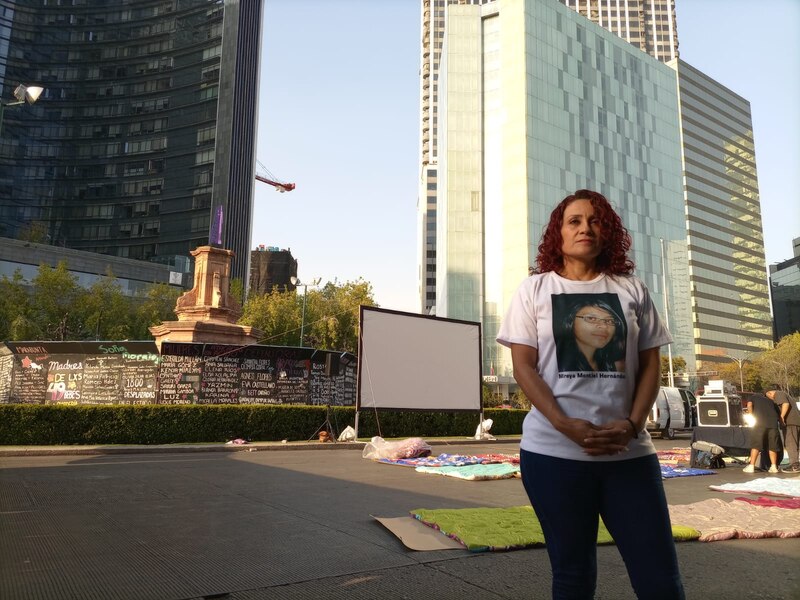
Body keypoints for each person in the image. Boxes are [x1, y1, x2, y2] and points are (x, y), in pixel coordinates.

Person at [497, 189, 684, 599]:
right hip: (552, 455)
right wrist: (564, 424)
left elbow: (650, 365)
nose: (585, 227)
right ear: (557, 234)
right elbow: (523, 367)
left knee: (660, 580)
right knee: (572, 576)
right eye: (574, 221)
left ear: (608, 232)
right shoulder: (534, 290)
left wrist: (633, 424)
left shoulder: (631, 289)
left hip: (630, 455)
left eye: (595, 220)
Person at [555, 297, 627, 372]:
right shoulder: (558, 363)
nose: (604, 326)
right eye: (591, 318)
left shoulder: (615, 365)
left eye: (609, 321)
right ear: (570, 322)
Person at [742, 391, 782, 474]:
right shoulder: (771, 401)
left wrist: (751, 415)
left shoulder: (753, 397)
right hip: (773, 424)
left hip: (760, 423)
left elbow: (749, 405)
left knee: (756, 445)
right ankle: (774, 466)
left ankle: (751, 466)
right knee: (772, 446)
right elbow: (778, 413)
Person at [766, 387, 800, 473]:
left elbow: (785, 404)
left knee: (790, 443)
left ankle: (795, 465)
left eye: (767, 396)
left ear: (769, 393)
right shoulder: (783, 394)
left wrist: (781, 417)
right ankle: (796, 463)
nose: (769, 399)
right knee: (795, 443)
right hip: (795, 422)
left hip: (790, 422)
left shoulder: (779, 394)